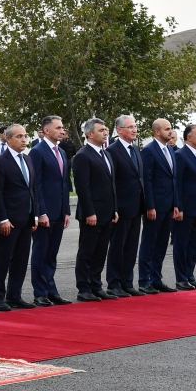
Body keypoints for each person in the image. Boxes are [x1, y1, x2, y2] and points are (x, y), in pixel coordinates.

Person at [0, 124, 38, 310]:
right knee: (3, 259)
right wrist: (2, 218)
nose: (24, 139)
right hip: (9, 220)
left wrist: (34, 215)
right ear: (8, 139)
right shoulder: (0, 162)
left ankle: (14, 295)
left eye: (25, 136)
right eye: (19, 136)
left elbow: (32, 189)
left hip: (26, 218)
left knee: (21, 259)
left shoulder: (27, 159)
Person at [72, 118, 119, 302]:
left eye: (106, 129)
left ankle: (96, 285)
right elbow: (82, 187)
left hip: (107, 212)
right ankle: (84, 288)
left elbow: (111, 185)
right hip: (91, 214)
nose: (106, 132)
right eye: (101, 130)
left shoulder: (106, 154)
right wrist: (90, 212)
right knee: (87, 251)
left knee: (101, 251)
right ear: (90, 134)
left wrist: (114, 209)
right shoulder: (83, 156)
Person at [28, 115, 73, 306]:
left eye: (62, 127)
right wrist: (41, 212)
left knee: (52, 254)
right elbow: (36, 185)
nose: (62, 131)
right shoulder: (37, 152)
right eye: (58, 128)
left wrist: (66, 211)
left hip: (59, 211)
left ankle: (51, 290)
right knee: (41, 253)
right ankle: (40, 292)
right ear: (46, 130)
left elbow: (64, 184)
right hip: (45, 212)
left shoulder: (60, 151)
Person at [138, 118, 182, 294]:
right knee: (149, 243)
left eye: (171, 128)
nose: (170, 132)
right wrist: (150, 206)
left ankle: (156, 279)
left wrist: (176, 204)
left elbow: (174, 180)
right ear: (157, 132)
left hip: (169, 206)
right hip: (155, 207)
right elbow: (147, 180)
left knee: (162, 244)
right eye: (167, 129)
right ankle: (144, 281)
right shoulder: (149, 151)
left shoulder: (169, 150)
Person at [105, 115, 146, 297]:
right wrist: (114, 207)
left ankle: (127, 282)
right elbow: (112, 182)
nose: (134, 130)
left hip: (136, 206)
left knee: (131, 246)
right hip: (121, 207)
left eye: (135, 126)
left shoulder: (135, 149)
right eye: (130, 127)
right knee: (117, 247)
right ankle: (114, 283)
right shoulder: (112, 151)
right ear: (119, 130)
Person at [172, 124, 196, 290]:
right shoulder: (180, 155)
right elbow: (177, 183)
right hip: (185, 209)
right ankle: (181, 279)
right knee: (181, 244)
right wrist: (178, 207)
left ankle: (190, 276)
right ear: (189, 137)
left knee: (193, 245)